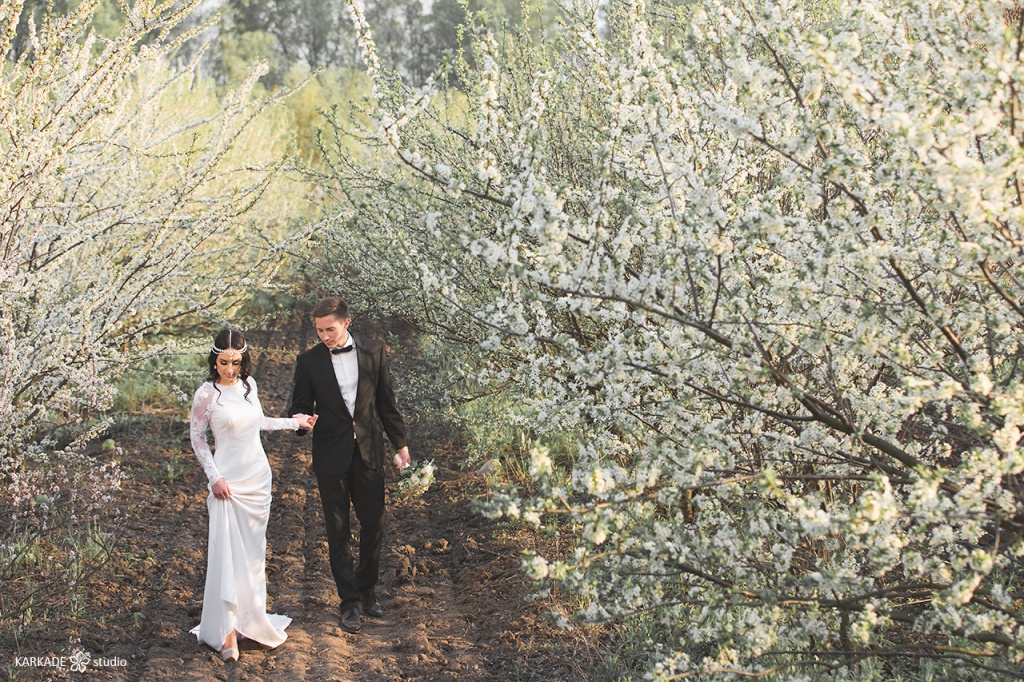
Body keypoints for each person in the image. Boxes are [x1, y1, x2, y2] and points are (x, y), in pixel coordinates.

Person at [188, 329, 317, 662]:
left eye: (236, 362)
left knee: (252, 555)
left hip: (257, 479)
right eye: (223, 363)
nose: (230, 369)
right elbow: (198, 440)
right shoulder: (206, 394)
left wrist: (295, 423)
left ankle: (249, 620)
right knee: (225, 552)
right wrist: (214, 477)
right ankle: (226, 630)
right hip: (228, 483)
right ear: (214, 361)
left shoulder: (249, 385)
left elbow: (258, 422)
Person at [288, 297, 411, 634]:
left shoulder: (374, 351)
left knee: (374, 523)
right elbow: (299, 405)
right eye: (319, 330)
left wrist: (400, 445)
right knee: (338, 530)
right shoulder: (309, 361)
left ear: (346, 322)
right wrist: (300, 421)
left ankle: (366, 589)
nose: (324, 336)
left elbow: (386, 401)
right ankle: (349, 602)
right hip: (331, 454)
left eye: (330, 329)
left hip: (369, 450)